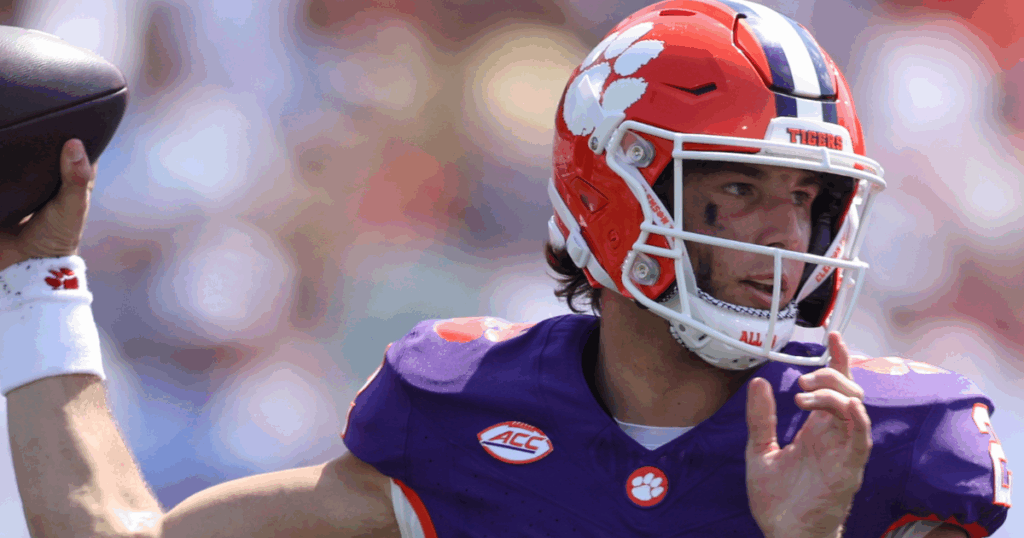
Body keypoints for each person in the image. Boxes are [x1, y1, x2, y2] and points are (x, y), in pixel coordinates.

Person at [1, 1, 1010, 537]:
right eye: (741, 189)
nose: (787, 234)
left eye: (809, 198)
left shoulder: (896, 445)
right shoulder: (461, 414)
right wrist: (40, 277)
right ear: (617, 187)